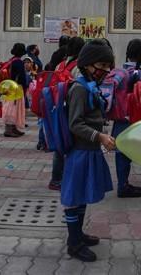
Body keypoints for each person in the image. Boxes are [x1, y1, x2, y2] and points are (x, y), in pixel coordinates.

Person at [61, 41, 115, 262]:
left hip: (90, 150)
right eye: (101, 64)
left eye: (108, 65)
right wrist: (100, 136)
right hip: (80, 152)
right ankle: (73, 243)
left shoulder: (89, 87)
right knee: (74, 197)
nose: (105, 70)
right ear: (87, 65)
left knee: (82, 195)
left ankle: (79, 234)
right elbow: (75, 124)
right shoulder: (80, 89)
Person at [110, 39, 141, 198]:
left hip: (119, 117)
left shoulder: (119, 71)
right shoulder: (139, 74)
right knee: (126, 153)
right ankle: (123, 186)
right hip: (132, 118)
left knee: (121, 152)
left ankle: (122, 183)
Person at [48, 37, 85, 191]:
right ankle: (69, 179)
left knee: (59, 145)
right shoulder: (79, 67)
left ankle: (56, 179)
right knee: (74, 144)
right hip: (71, 109)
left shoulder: (60, 65)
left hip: (58, 109)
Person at [3, 43, 27, 137]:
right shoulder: (19, 62)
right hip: (16, 87)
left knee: (10, 107)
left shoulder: (11, 60)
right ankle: (9, 130)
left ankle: (13, 128)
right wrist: (24, 87)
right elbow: (21, 77)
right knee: (13, 108)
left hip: (9, 86)